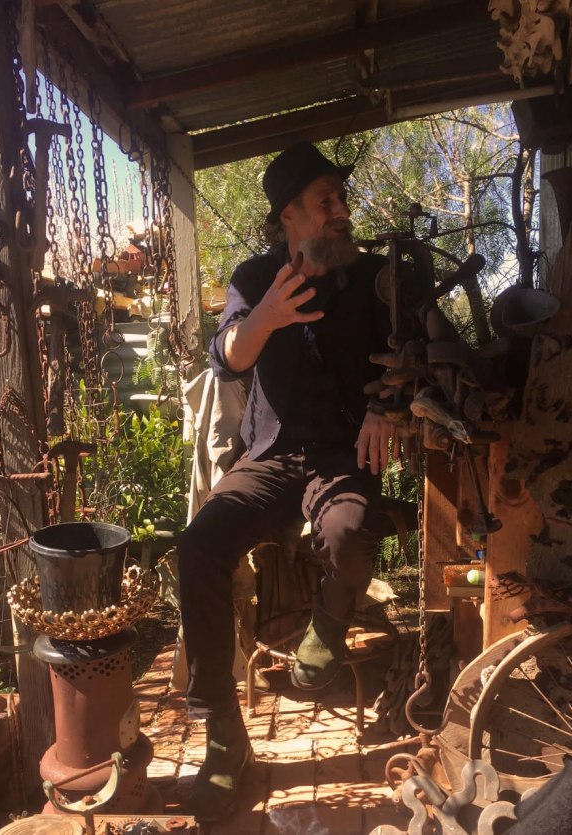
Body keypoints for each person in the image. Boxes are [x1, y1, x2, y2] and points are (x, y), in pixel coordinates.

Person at [177, 141, 400, 822]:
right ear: (289, 216)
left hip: (341, 457)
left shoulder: (373, 278)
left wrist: (386, 405)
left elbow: (413, 353)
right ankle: (223, 736)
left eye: (341, 198)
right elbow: (227, 358)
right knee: (198, 545)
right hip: (270, 457)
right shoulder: (255, 277)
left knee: (350, 532)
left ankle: (328, 627)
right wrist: (266, 316)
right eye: (325, 200)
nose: (341, 210)